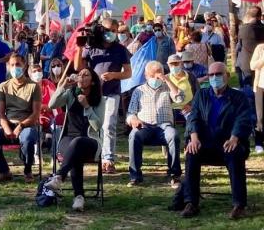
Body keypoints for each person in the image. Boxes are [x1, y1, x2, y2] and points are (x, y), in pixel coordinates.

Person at [170, 62, 253, 220]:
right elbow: (193, 117)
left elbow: (243, 120)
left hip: (229, 142)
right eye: (211, 74)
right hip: (206, 143)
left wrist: (234, 137)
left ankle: (239, 205)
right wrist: (193, 138)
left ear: (227, 76)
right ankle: (191, 203)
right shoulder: (201, 95)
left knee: (235, 153)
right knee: (192, 153)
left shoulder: (239, 97)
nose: (215, 77)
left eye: (218, 74)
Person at [73, 18, 132, 174]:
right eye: (108, 30)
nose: (111, 33)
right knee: (94, 125)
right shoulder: (92, 47)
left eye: (114, 30)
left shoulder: (120, 49)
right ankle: (94, 154)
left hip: (112, 92)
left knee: (109, 125)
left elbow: (128, 73)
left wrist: (114, 75)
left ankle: (108, 159)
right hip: (93, 92)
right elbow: (78, 67)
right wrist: (79, 48)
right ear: (100, 30)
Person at [43, 68, 105, 212]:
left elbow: (97, 126)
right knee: (74, 151)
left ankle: (59, 177)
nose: (81, 76)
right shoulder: (71, 94)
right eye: (80, 74)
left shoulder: (99, 100)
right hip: (67, 139)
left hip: (90, 140)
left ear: (93, 82)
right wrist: (62, 87)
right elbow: (52, 105)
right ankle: (79, 197)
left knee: (77, 143)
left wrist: (87, 107)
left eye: (86, 75)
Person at [126, 60, 184, 188]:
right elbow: (130, 112)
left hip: (164, 127)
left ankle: (175, 175)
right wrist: (133, 119)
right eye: (153, 76)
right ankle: (135, 176)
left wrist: (167, 80)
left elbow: (180, 98)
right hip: (144, 127)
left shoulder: (168, 87)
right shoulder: (138, 91)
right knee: (134, 135)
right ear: (146, 76)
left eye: (159, 75)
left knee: (173, 135)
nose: (156, 78)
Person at [0, 54, 41, 183]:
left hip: (27, 124)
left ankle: (28, 170)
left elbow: (36, 114)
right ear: (8, 67)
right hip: (9, 124)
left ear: (24, 65)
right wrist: (6, 128)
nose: (15, 67)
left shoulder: (34, 86)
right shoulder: (3, 87)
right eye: (12, 65)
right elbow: (0, 113)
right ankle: (4, 171)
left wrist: (21, 126)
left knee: (27, 138)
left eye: (18, 64)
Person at [236, 6, 264, 89]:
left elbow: (239, 45)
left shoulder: (243, 29)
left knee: (247, 93)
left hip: (246, 64)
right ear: (260, 16)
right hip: (260, 64)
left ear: (248, 16)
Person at [167, 54, 197, 121]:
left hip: (189, 107)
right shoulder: (166, 78)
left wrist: (190, 105)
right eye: (171, 64)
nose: (174, 66)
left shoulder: (190, 76)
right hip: (171, 109)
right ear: (168, 65)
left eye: (176, 63)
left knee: (193, 121)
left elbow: (198, 92)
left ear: (181, 63)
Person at [251, 42, 264, 153]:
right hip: (261, 86)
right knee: (260, 116)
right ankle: (259, 142)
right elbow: (252, 65)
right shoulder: (260, 48)